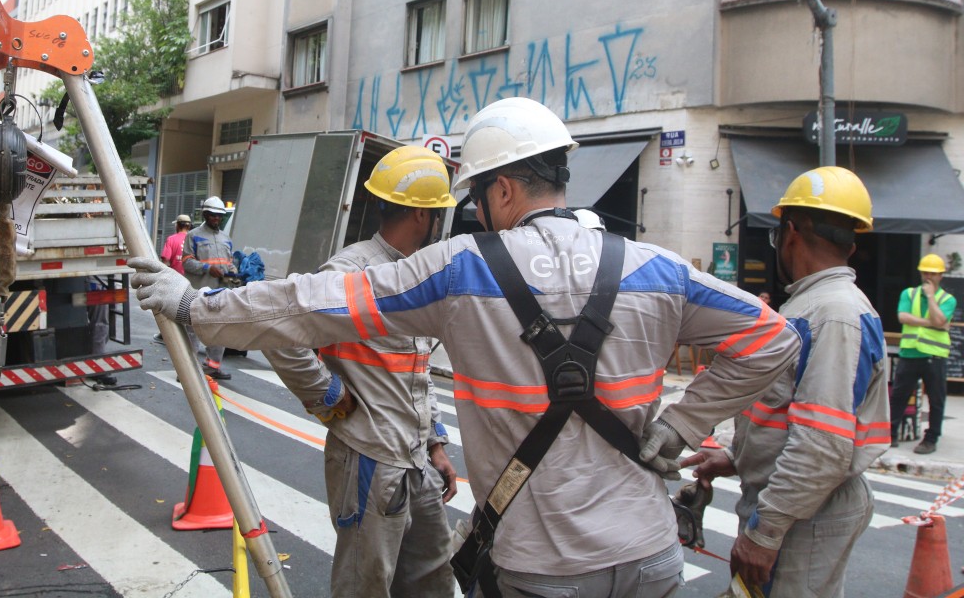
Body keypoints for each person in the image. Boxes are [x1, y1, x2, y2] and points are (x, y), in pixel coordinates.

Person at [130, 97, 799, 596]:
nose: (474, 214)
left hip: (545, 568)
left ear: (503, 188)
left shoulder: (461, 270)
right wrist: (684, 421)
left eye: (478, 197)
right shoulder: (657, 269)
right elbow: (774, 339)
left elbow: (314, 304)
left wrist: (197, 306)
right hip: (652, 560)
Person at [682, 166, 890, 597]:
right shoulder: (813, 305)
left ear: (790, 232)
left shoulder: (834, 314)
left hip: (805, 516)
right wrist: (739, 456)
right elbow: (786, 411)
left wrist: (766, 533)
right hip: (796, 506)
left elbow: (822, 445)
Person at [263, 145, 459, 598]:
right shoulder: (353, 271)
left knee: (433, 578)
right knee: (365, 584)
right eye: (436, 215)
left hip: (415, 457)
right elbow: (279, 334)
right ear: (421, 216)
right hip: (369, 457)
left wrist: (436, 443)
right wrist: (328, 394)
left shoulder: (415, 272)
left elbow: (416, 369)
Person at [889, 252, 957, 455]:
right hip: (910, 353)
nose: (929, 276)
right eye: (926, 271)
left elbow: (940, 318)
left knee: (936, 399)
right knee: (899, 395)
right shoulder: (908, 294)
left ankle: (931, 439)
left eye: (933, 273)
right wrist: (933, 323)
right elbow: (903, 317)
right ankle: (890, 433)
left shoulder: (947, 299)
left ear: (941, 276)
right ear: (920, 272)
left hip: (934, 355)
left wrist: (930, 297)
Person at [181, 196, 236, 380]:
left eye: (219, 216)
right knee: (192, 331)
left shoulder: (226, 239)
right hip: (198, 292)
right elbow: (187, 262)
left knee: (219, 330)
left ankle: (213, 367)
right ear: (205, 214)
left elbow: (229, 263)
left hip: (220, 292)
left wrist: (234, 273)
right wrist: (206, 268)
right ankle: (188, 371)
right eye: (212, 215)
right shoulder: (193, 235)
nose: (216, 219)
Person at [153, 214, 193, 344]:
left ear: (177, 225)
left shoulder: (171, 239)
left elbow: (165, 261)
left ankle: (167, 334)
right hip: (192, 281)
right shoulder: (193, 240)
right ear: (189, 226)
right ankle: (188, 336)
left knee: (169, 306)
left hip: (176, 281)